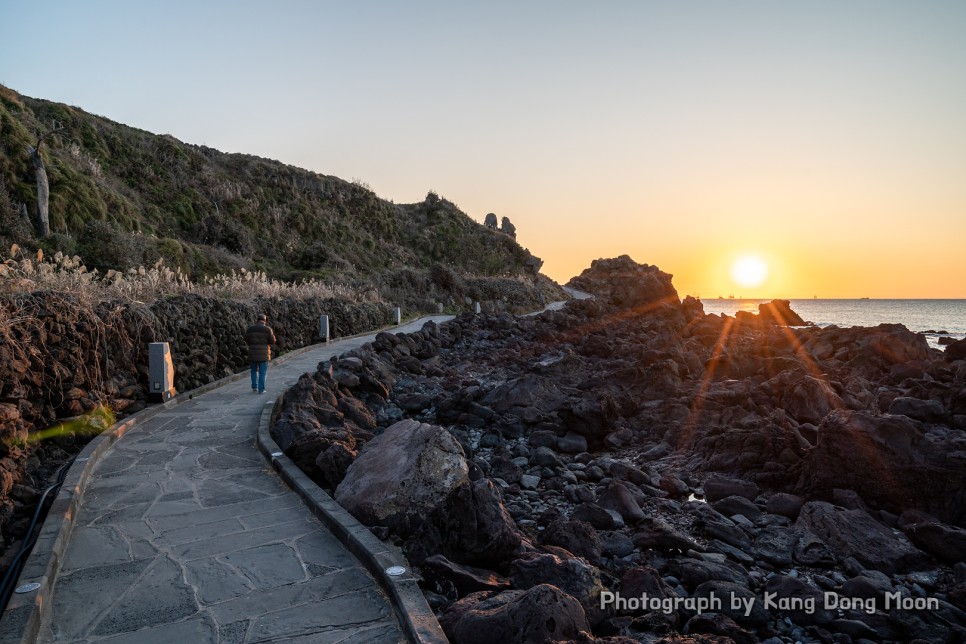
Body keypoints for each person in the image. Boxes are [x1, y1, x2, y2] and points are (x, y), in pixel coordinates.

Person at [245, 313, 276, 394]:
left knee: (253, 370)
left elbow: (246, 339)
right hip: (264, 354)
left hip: (252, 353)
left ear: (257, 320)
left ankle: (254, 387)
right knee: (262, 372)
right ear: (264, 321)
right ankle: (261, 389)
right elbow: (272, 341)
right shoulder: (268, 329)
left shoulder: (250, 329)